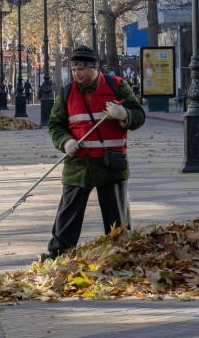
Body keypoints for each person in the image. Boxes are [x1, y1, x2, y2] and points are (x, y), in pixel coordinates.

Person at [40, 45, 145, 262]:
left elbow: (139, 116)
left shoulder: (117, 85)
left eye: (81, 69)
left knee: (117, 219)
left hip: (111, 164)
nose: (77, 74)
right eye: (74, 69)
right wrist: (65, 141)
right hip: (79, 165)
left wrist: (124, 114)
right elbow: (55, 125)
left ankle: (121, 256)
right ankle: (58, 256)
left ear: (94, 68)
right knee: (67, 215)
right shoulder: (67, 93)